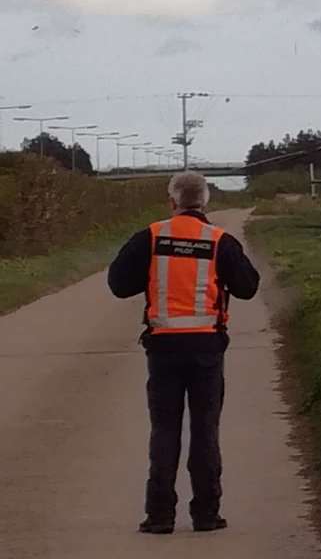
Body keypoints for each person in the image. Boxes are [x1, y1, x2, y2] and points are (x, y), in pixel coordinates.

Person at [107, 171, 260, 535]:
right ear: (206, 202)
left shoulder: (151, 237)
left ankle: (159, 516)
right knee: (205, 430)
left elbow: (118, 285)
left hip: (163, 349)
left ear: (172, 202)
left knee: (165, 430)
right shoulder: (220, 240)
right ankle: (207, 514)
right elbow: (249, 288)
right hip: (207, 348)